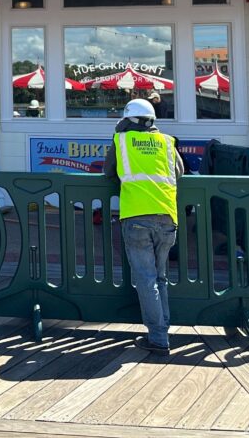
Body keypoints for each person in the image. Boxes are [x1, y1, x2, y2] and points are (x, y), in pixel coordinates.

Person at [103, 98, 185, 356]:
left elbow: (108, 172)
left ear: (129, 121)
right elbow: (179, 171)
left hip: (137, 217)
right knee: (160, 277)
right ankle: (162, 331)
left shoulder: (122, 141)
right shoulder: (167, 142)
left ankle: (159, 338)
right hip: (167, 216)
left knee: (147, 280)